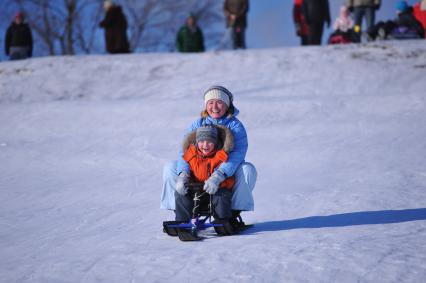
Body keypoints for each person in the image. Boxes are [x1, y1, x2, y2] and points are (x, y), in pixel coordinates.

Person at [161, 86, 257, 229]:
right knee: (170, 167)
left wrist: (219, 175)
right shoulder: (198, 124)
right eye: (210, 102)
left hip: (224, 171)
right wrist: (183, 174)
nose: (214, 106)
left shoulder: (235, 126)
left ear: (227, 105)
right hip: (197, 169)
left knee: (247, 169)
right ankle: (180, 212)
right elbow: (185, 151)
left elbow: (237, 154)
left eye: (219, 102)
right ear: (206, 105)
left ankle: (232, 211)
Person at [175, 125, 234, 232]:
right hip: (195, 191)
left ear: (216, 142)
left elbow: (227, 176)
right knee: (180, 193)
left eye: (209, 141)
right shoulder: (191, 154)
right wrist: (183, 178)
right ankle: (182, 222)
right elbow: (185, 168)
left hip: (215, 190)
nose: (205, 145)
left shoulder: (221, 156)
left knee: (221, 196)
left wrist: (217, 182)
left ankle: (223, 221)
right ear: (197, 142)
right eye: (201, 141)